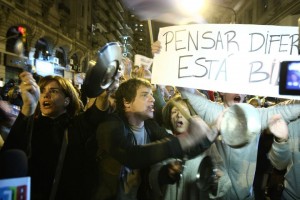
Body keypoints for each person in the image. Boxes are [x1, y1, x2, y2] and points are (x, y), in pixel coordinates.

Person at [151, 40, 300, 199]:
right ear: (221, 91)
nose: (239, 90)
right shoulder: (213, 111)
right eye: (234, 85)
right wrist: (165, 57)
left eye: (243, 86)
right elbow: (186, 89)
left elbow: (290, 109)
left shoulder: (256, 115)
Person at [0, 70, 121, 200]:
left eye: (54, 91)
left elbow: (95, 114)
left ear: (66, 101)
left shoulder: (76, 125)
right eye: (42, 90)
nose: (46, 94)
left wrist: (104, 94)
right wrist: (27, 108)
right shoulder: (29, 124)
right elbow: (10, 163)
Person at [94, 77, 218, 200]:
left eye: (151, 95)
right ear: (127, 102)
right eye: (144, 95)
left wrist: (206, 137)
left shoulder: (151, 126)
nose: (152, 99)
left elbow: (179, 149)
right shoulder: (110, 125)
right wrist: (187, 139)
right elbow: (131, 155)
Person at [149, 95, 231, 200]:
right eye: (174, 112)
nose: (179, 115)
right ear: (169, 118)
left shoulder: (207, 144)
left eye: (184, 111)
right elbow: (153, 176)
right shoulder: (164, 142)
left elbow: (222, 176)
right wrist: (166, 173)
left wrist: (215, 181)